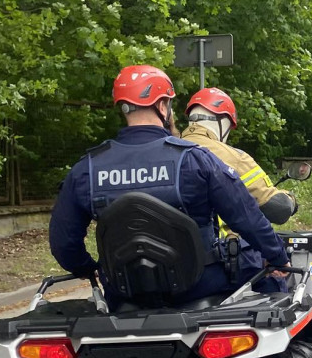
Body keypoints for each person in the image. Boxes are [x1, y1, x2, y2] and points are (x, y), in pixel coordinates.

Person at [49, 65, 290, 305]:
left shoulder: (87, 169)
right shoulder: (194, 160)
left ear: (123, 107)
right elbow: (245, 216)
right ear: (163, 105)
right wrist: (277, 256)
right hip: (200, 285)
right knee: (273, 283)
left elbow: (64, 242)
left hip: (124, 291)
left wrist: (89, 268)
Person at [180, 87, 296, 292]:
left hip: (171, 268)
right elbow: (276, 208)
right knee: (278, 281)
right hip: (223, 263)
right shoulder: (232, 157)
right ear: (222, 123)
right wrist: (290, 200)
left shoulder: (167, 153)